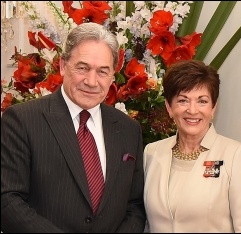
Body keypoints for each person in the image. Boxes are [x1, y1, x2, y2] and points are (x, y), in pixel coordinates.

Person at [1, 22, 146, 232]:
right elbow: (7, 199)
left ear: (113, 76)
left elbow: (134, 206)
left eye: (102, 71)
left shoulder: (129, 129)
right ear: (62, 66)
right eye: (82, 68)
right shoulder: (22, 120)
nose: (91, 81)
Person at [143, 60, 241, 233]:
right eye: (183, 100)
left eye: (202, 101)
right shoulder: (151, 153)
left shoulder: (236, 155)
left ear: (213, 107)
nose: (192, 110)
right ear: (169, 107)